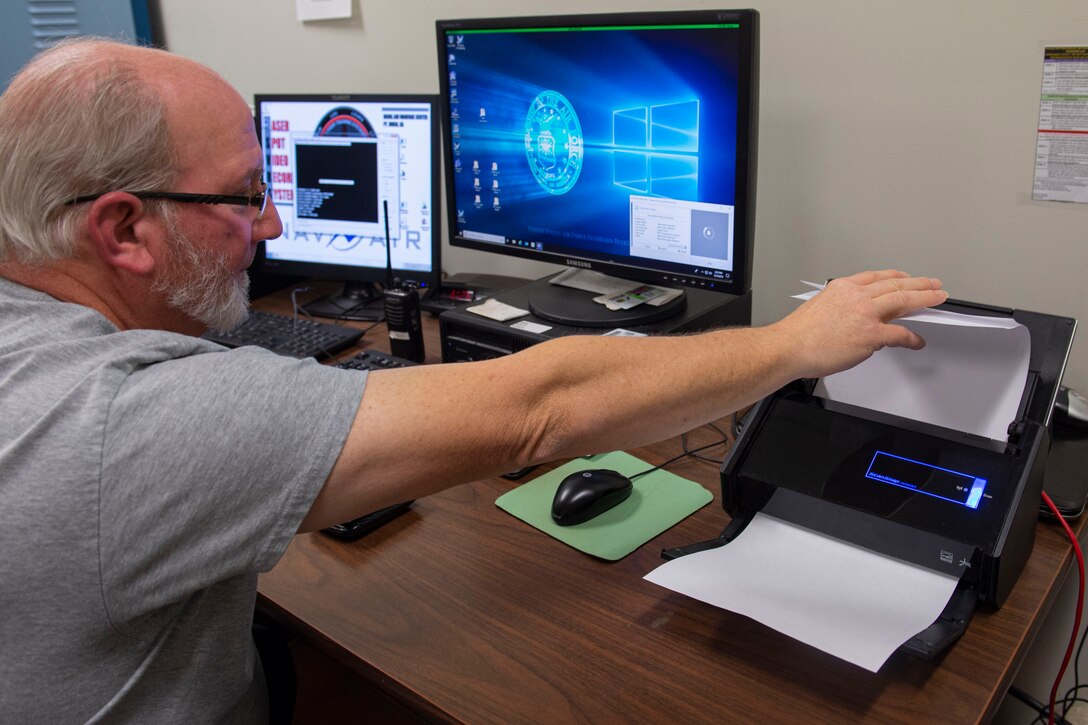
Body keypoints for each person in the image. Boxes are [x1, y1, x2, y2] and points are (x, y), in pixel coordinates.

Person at [0, 37, 948, 723]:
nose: (274, 227)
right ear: (122, 229)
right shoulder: (125, 422)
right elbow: (537, 412)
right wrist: (794, 341)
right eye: (248, 195)